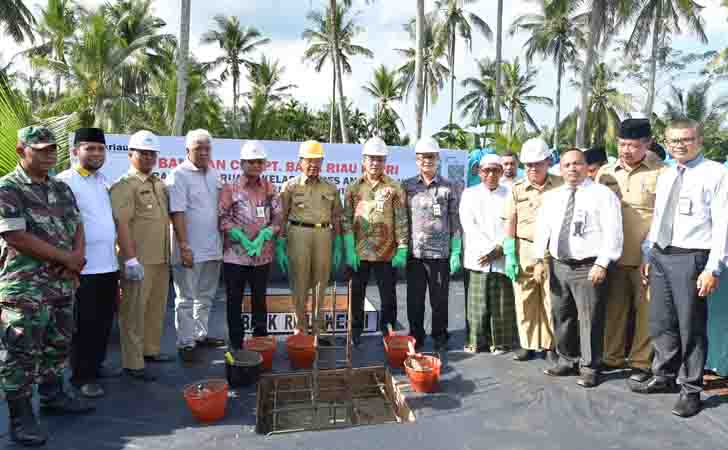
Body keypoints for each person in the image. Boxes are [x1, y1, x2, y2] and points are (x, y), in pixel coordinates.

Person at [0, 126, 94, 447]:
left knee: (57, 345)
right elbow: (15, 236)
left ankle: (54, 396)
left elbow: (78, 223)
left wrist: (77, 256)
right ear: (21, 150)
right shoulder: (8, 188)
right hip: (25, 290)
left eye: (52, 148)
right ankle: (21, 418)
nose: (49, 153)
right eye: (40, 149)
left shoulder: (61, 188)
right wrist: (66, 257)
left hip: (61, 285)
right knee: (21, 354)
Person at [631, 119, 728, 418]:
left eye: (685, 139)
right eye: (673, 140)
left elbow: (723, 224)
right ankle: (664, 376)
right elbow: (660, 217)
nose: (678, 145)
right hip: (661, 254)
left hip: (691, 257)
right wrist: (649, 254)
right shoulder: (667, 172)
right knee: (661, 321)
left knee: (691, 327)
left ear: (699, 140)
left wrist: (714, 267)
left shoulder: (716, 173)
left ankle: (691, 389)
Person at [534, 148, 623, 388]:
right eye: (567, 165)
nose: (572, 168)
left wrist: (602, 263)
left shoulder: (603, 195)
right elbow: (543, 230)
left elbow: (614, 233)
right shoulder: (552, 197)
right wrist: (539, 261)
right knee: (562, 316)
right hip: (559, 265)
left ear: (586, 166)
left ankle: (590, 366)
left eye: (578, 164)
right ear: (560, 169)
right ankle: (567, 360)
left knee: (590, 320)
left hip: (589, 267)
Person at [594, 119, 667, 383]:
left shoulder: (661, 172)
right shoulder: (604, 172)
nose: (626, 150)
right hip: (612, 256)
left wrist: (652, 253)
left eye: (634, 145)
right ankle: (612, 357)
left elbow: (664, 218)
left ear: (647, 144)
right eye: (622, 144)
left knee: (645, 311)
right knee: (613, 309)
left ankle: (640, 361)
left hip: (645, 258)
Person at [57, 128, 121, 399]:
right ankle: (82, 376)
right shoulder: (65, 182)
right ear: (75, 151)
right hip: (83, 266)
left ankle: (96, 365)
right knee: (84, 323)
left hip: (108, 264)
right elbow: (59, 226)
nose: (96, 153)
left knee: (104, 320)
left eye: (100, 149)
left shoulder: (103, 181)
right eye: (89, 148)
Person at [110, 130, 172, 381]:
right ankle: (133, 363)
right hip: (139, 259)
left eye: (151, 153)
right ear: (130, 154)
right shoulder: (125, 185)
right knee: (133, 311)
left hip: (160, 257)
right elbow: (120, 223)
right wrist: (130, 258)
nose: (147, 158)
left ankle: (150, 350)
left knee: (156, 308)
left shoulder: (158, 183)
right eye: (142, 153)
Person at [166, 129, 225, 362]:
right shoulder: (178, 175)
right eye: (198, 147)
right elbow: (177, 212)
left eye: (207, 148)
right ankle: (186, 342)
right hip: (188, 249)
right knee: (185, 298)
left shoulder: (214, 174)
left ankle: (200, 335)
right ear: (187, 150)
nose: (203, 152)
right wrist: (183, 245)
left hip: (213, 247)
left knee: (206, 296)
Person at [343, 137, 408, 347]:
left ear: (385, 162)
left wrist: (402, 247)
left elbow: (401, 219)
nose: (375, 163)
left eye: (379, 159)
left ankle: (388, 331)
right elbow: (346, 219)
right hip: (359, 252)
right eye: (371, 159)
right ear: (364, 160)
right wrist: (347, 248)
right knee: (357, 294)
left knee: (388, 296)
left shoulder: (394, 187)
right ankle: (355, 331)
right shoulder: (353, 188)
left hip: (386, 251)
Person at [503, 138, 563, 362]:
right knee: (525, 298)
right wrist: (510, 252)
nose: (533, 168)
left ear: (548, 162)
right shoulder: (516, 189)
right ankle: (528, 343)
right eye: (528, 164)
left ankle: (551, 346)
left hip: (552, 248)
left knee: (551, 298)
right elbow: (510, 220)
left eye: (538, 163)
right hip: (524, 247)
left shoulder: (560, 184)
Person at [219, 140, 281, 348]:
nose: (255, 165)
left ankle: (260, 342)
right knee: (234, 301)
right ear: (241, 163)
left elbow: (278, 218)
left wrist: (265, 234)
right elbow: (222, 218)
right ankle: (236, 344)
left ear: (264, 164)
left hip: (262, 256)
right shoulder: (230, 188)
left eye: (259, 162)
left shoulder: (270, 188)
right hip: (235, 256)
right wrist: (241, 237)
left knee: (259, 300)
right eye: (251, 162)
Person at [402, 137, 462, 351]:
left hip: (440, 255)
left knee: (439, 301)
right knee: (415, 301)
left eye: (431, 157)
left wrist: (456, 250)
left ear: (438, 159)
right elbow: (402, 219)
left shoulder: (449, 187)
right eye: (423, 157)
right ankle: (415, 336)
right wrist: (401, 248)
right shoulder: (407, 186)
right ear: (417, 160)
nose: (427, 161)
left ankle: (440, 336)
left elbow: (455, 220)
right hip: (415, 255)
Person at [278, 141, 343, 336]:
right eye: (309, 161)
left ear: (322, 162)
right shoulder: (289, 187)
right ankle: (300, 328)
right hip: (298, 233)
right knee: (299, 281)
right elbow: (282, 216)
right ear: (300, 162)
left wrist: (338, 243)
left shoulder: (331, 188)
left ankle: (318, 328)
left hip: (323, 234)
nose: (313, 165)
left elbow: (336, 216)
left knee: (320, 282)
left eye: (317, 161)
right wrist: (280, 243)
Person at [459, 154, 516, 354]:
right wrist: (488, 250)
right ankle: (475, 342)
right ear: (479, 172)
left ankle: (499, 342)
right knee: (477, 303)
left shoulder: (510, 193)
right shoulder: (469, 194)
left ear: (501, 172)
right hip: (478, 255)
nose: (491, 174)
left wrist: (500, 249)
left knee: (500, 302)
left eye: (495, 170)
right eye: (486, 170)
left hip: (502, 256)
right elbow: (468, 224)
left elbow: (512, 223)